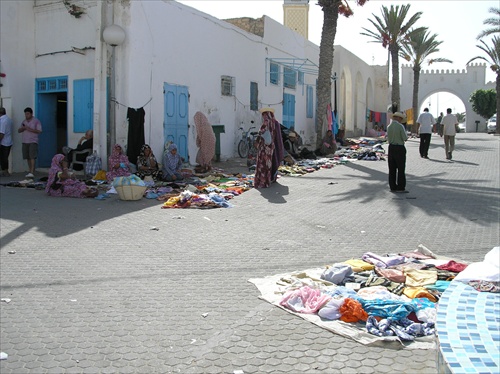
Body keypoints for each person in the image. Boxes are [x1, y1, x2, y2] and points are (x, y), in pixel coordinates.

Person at [259, 108, 284, 183]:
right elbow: (278, 137)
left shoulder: (266, 123)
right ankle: (272, 177)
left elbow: (261, 134)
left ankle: (265, 180)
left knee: (266, 164)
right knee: (274, 161)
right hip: (274, 146)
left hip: (266, 149)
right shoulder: (276, 123)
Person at [253, 108, 277, 188]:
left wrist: (257, 140)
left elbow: (261, 133)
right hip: (270, 147)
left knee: (262, 164)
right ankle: (267, 181)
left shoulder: (266, 122)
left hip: (264, 147)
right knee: (268, 164)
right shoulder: (274, 123)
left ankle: (261, 182)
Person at [387, 112, 409, 193]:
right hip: (399, 148)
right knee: (401, 168)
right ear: (399, 118)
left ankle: (392, 186)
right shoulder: (400, 126)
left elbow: (388, 138)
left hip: (391, 147)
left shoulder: (389, 127)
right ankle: (400, 186)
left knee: (392, 168)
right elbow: (405, 138)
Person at [17, 107, 42, 178]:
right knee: (27, 156)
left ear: (31, 114)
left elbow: (39, 131)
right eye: (25, 114)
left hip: (33, 141)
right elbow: (19, 130)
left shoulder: (36, 121)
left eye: (28, 114)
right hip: (25, 141)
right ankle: (30, 170)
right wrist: (22, 128)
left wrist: (29, 129)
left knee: (32, 156)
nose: (26, 115)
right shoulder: (24, 121)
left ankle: (32, 171)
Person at [0, 107, 13, 177]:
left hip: (4, 142)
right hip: (9, 141)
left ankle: (5, 171)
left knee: (3, 157)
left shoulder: (2, 121)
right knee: (5, 156)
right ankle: (5, 170)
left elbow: (2, 133)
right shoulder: (9, 119)